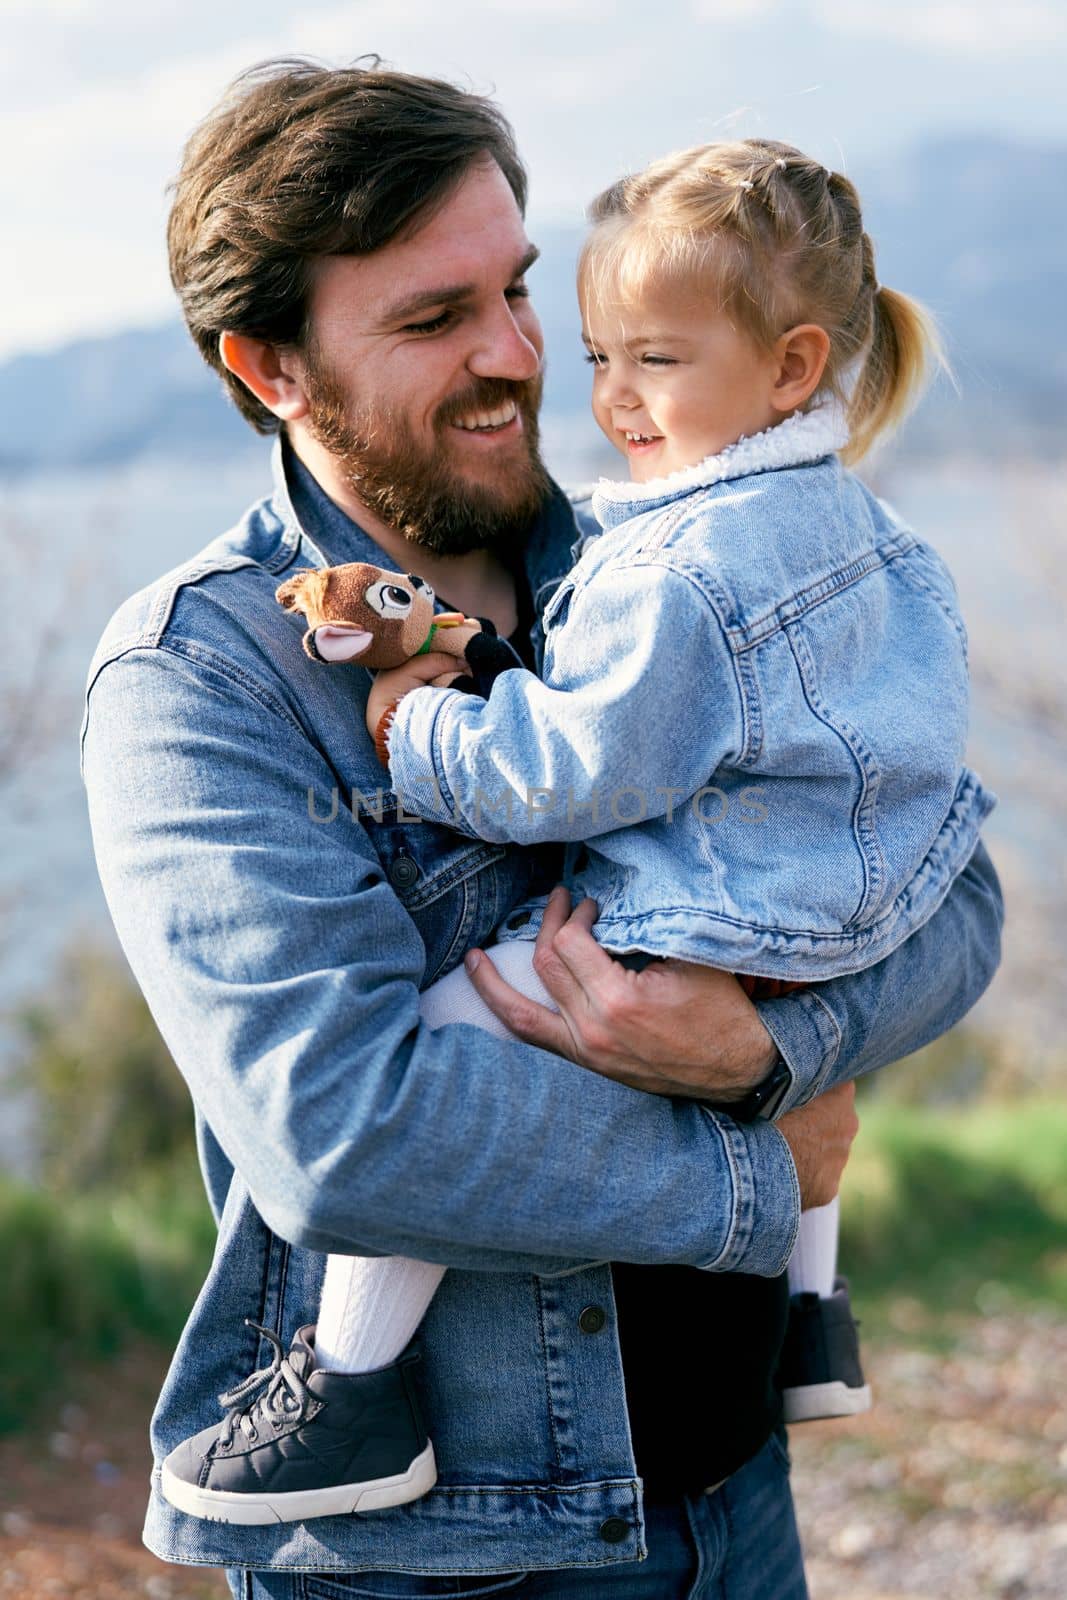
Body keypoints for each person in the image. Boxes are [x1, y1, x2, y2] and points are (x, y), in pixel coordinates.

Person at [81, 59, 1004, 1598]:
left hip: (735, 1504)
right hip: (457, 1563)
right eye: (436, 320)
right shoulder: (201, 680)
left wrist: (773, 1050)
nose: (520, 357)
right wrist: (765, 1168)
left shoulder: (674, 546)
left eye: (515, 291)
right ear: (271, 367)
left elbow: (954, 891)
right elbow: (342, 1131)